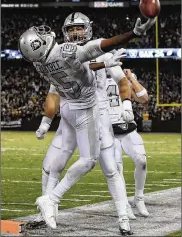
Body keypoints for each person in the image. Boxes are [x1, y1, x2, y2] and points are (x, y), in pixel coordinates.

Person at [19, 13, 155, 231]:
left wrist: (125, 104)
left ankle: (123, 217)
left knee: (110, 168)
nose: (75, 32)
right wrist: (133, 34)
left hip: (90, 113)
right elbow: (87, 56)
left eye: (79, 28)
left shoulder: (43, 61)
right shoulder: (66, 51)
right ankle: (49, 205)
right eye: (71, 29)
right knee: (62, 164)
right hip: (80, 113)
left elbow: (106, 74)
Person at [106, 68, 149, 218]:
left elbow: (143, 98)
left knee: (142, 161)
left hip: (129, 129)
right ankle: (124, 203)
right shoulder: (96, 77)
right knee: (117, 170)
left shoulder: (123, 76)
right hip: (109, 132)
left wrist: (131, 78)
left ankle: (139, 198)